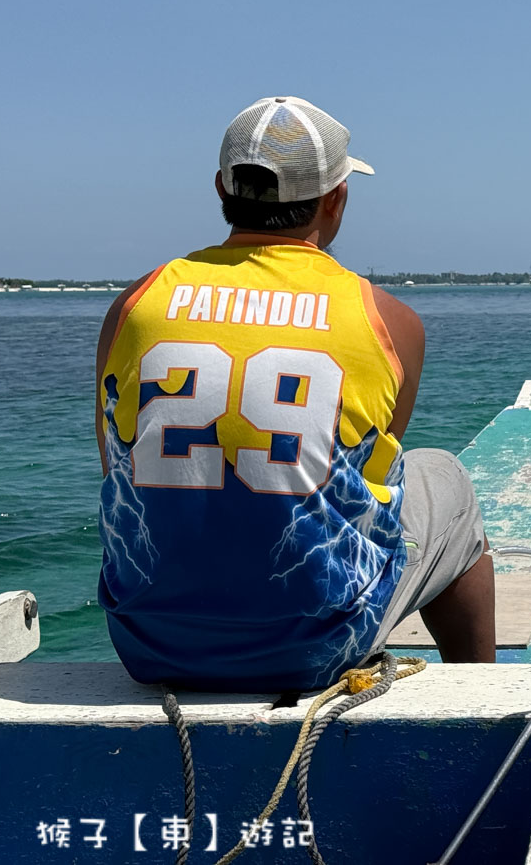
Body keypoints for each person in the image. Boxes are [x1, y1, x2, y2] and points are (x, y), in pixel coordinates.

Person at [96, 96, 496, 692]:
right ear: (335, 198)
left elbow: (117, 467)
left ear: (220, 188)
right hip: (315, 648)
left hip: (148, 643)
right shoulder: (386, 322)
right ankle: (484, 699)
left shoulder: (134, 305)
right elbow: (371, 480)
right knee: (444, 476)